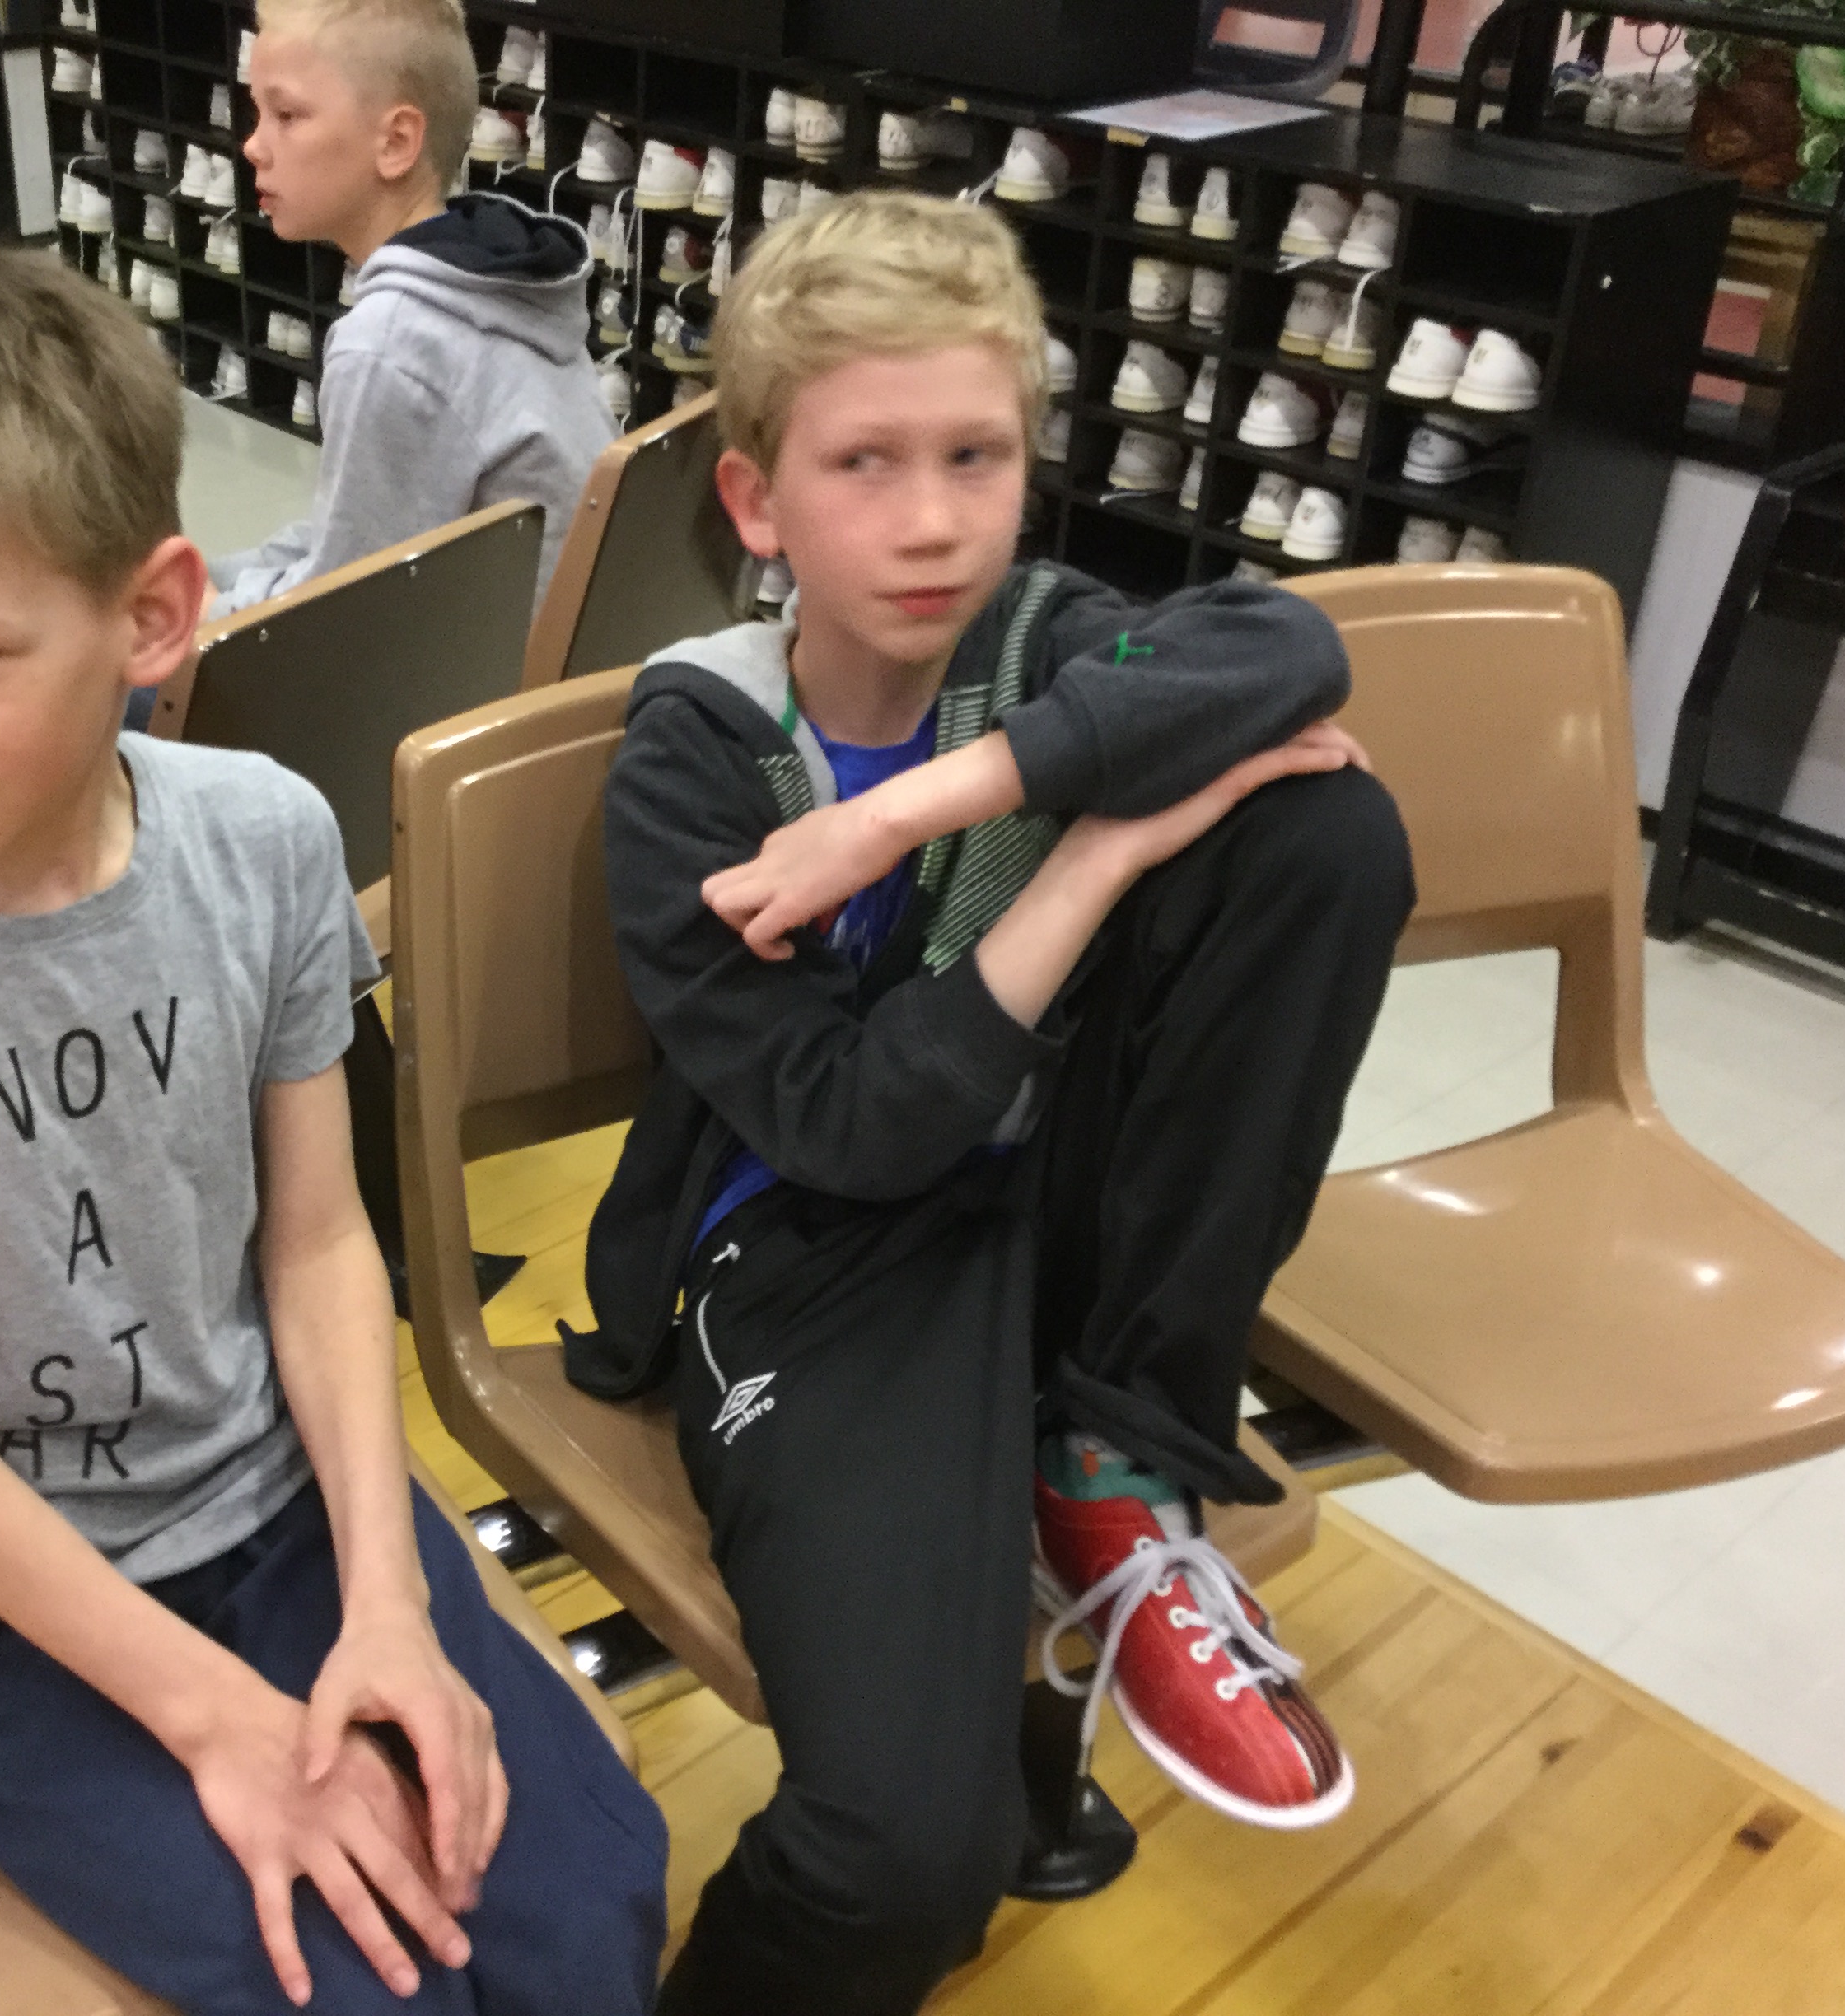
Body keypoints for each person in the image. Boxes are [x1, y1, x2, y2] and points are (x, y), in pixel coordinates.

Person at [0, 246, 667, 2015]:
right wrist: (219, 1722)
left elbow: (318, 1241)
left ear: (153, 615)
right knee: (353, 1990)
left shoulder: (261, 838)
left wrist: (389, 1601)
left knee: (587, 1914)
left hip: (266, 1500)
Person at [576, 189, 1414, 2016]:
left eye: (976, 455)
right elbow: (853, 1129)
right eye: (863, 462)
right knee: (900, 1863)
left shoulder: (1042, 635)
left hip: (1038, 1206)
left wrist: (910, 810)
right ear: (756, 502)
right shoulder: (696, 753)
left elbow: (1288, 651)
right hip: (818, 1250)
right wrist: (1096, 847)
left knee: (1325, 831)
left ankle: (1107, 1456)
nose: (932, 519)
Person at [220, 0, 611, 618]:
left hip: (484, 669)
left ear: (397, 142)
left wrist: (203, 616)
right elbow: (344, 535)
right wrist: (213, 582)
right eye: (257, 114)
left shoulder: (389, 346)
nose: (252, 146)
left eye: (287, 115)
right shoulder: (493, 282)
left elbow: (340, 613)